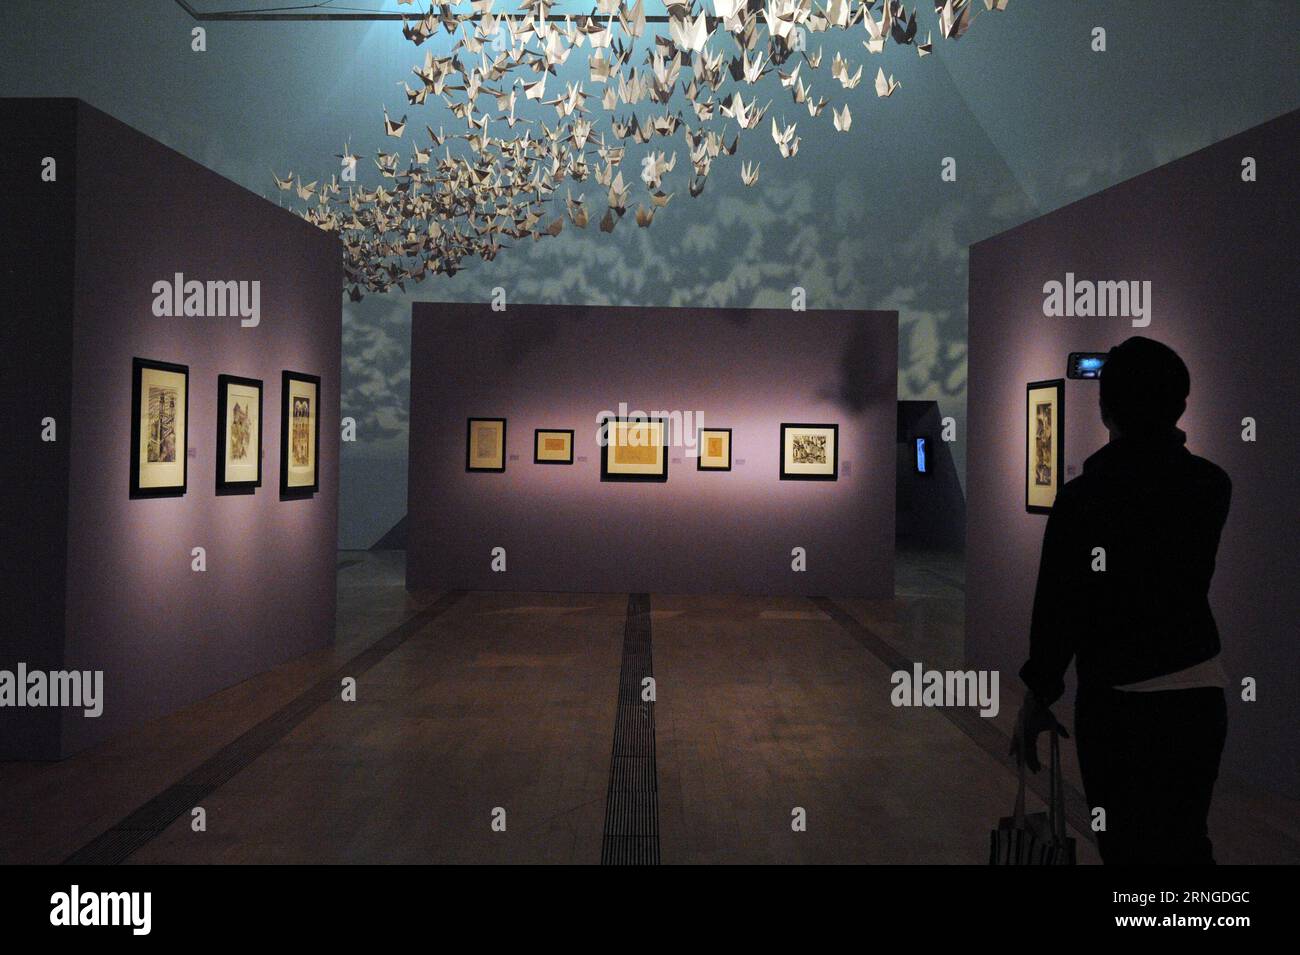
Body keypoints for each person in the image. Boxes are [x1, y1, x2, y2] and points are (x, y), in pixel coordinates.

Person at [1011, 336, 1231, 864]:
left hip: (1119, 701)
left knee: (1125, 847)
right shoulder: (1212, 486)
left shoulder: (1085, 498)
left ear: (1105, 407)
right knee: (1186, 842)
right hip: (1199, 690)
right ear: (1180, 405)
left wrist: (1039, 694)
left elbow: (1060, 608)